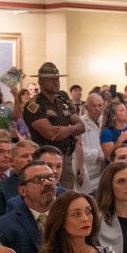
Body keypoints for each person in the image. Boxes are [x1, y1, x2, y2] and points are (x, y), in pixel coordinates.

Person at [0, 161, 60, 253]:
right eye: (38, 179)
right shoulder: (3, 227)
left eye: (50, 177)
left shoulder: (70, 217)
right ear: (23, 190)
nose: (47, 183)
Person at [22, 63, 84, 191]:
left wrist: (68, 129)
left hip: (66, 157)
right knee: (45, 193)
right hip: (44, 159)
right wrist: (72, 129)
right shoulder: (34, 105)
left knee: (66, 196)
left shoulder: (63, 102)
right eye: (51, 79)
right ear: (40, 81)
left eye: (57, 79)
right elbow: (51, 134)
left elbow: (81, 126)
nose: (56, 82)